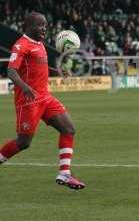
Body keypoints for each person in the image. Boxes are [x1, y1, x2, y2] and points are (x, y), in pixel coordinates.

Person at [0, 12, 85, 190]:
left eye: (45, 25)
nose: (44, 28)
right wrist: (24, 87)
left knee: (68, 129)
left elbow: (41, 67)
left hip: (45, 98)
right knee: (24, 143)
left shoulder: (39, 44)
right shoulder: (21, 45)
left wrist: (58, 71)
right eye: (40, 25)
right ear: (29, 26)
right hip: (28, 100)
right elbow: (11, 71)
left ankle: (64, 173)